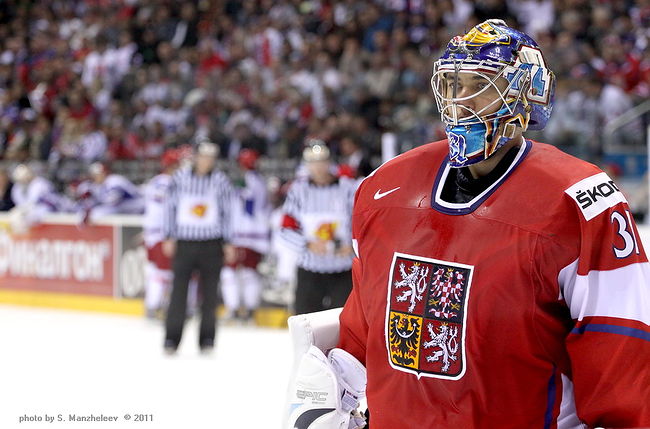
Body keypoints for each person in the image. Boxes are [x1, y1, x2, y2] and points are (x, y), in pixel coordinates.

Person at [288, 20, 650, 428]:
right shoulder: (385, 187)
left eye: (479, 85)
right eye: (452, 85)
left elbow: (620, 349)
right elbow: (365, 322)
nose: (459, 102)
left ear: (525, 93)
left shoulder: (582, 201)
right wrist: (332, 388)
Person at [162, 141, 233, 354]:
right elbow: (170, 207)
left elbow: (228, 212)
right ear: (195, 157)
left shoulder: (220, 181)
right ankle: (172, 338)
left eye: (211, 157)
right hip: (185, 242)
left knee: (210, 294)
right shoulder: (180, 178)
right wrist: (168, 235)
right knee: (178, 292)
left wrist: (229, 241)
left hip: (212, 243)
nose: (206, 161)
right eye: (203, 156)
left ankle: (207, 339)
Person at [280, 140, 358, 315]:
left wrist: (353, 246)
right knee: (306, 320)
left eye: (322, 161)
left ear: (329, 162)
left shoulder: (348, 188)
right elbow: (286, 227)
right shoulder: (298, 191)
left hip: (343, 268)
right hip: (310, 268)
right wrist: (307, 244)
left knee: (343, 321)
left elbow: (362, 221)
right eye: (313, 162)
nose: (318, 167)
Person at [220, 149, 271, 323]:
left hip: (243, 235)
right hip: (256, 236)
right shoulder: (259, 181)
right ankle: (248, 311)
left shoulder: (248, 181)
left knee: (231, 273)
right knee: (248, 273)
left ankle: (235, 309)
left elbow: (246, 208)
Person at [142, 148, 181, 319]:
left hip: (151, 233)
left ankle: (152, 306)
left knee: (154, 271)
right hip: (163, 234)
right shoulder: (173, 184)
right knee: (163, 273)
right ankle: (156, 307)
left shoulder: (154, 182)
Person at [79, 162, 144, 223]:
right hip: (123, 206)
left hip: (136, 204)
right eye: (93, 175)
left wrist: (96, 204)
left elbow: (113, 200)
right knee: (89, 212)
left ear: (104, 173)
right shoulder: (99, 185)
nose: (95, 177)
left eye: (97, 175)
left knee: (98, 213)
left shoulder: (114, 180)